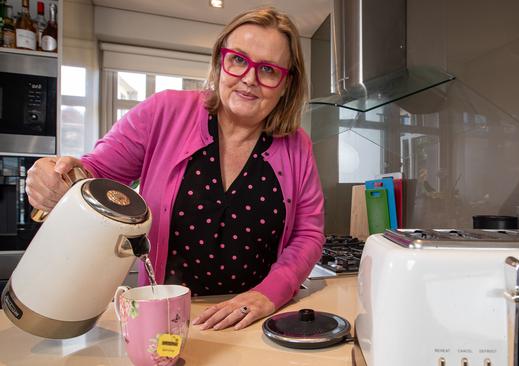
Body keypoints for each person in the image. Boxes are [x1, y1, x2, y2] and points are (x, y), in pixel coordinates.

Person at [25, 6, 325, 331]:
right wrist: (56, 177)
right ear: (219, 61)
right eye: (238, 59)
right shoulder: (165, 112)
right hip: (166, 318)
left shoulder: (298, 145)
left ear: (286, 83)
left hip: (255, 319)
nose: (249, 79)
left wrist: (268, 294)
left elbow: (308, 233)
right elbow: (94, 175)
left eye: (268, 69)